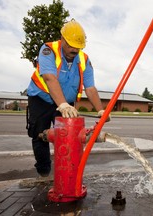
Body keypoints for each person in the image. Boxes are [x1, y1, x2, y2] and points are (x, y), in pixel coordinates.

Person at [26, 19, 108, 177]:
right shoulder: (49, 50)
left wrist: (101, 110)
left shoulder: (84, 59)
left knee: (68, 136)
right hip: (41, 99)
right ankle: (44, 170)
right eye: (71, 45)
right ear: (62, 39)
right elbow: (50, 78)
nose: (74, 50)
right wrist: (62, 104)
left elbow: (90, 88)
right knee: (39, 134)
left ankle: (67, 172)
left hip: (67, 104)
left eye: (78, 47)